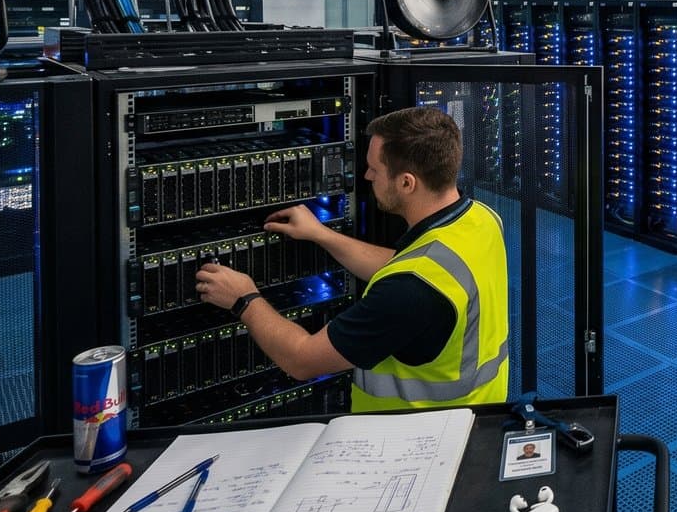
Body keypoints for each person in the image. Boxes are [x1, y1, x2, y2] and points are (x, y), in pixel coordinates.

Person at [195, 106, 511, 410]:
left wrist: (244, 299)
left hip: (408, 442)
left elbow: (302, 360)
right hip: (477, 419)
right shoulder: (482, 219)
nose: (367, 176)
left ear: (406, 183)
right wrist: (323, 235)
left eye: (375, 169)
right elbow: (405, 265)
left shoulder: (409, 293)